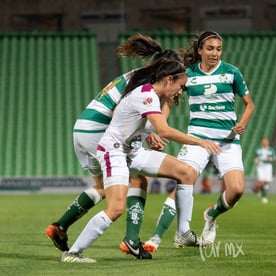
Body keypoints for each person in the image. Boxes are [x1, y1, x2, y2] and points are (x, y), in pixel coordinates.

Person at [61, 55, 221, 263]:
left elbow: (151, 125)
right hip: (114, 152)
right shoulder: (146, 95)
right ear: (169, 79)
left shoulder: (150, 95)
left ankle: (182, 232)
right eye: (180, 86)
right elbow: (163, 130)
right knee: (116, 208)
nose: (181, 91)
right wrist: (200, 142)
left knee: (186, 172)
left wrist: (151, 128)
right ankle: (73, 253)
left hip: (132, 152)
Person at [45, 33, 179, 252]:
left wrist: (146, 133)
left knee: (102, 187)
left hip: (82, 128)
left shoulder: (136, 75)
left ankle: (60, 225)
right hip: (100, 131)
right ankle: (132, 240)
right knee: (138, 179)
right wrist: (157, 122)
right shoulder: (146, 84)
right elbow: (122, 113)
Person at [144, 30, 255, 253]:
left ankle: (211, 215)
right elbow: (169, 98)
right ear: (200, 51)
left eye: (218, 49)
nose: (215, 53)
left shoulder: (232, 73)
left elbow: (249, 105)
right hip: (197, 139)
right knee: (183, 182)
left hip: (227, 141)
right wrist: (160, 126)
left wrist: (241, 123)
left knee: (237, 190)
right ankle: (155, 238)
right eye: (210, 48)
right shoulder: (188, 74)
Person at [254, 136, 276, 204]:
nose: (265, 142)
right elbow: (255, 157)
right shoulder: (258, 149)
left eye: (266, 140)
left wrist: (270, 159)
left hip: (268, 166)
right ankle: (264, 197)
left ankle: (260, 190)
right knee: (262, 181)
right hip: (260, 166)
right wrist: (256, 160)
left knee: (266, 182)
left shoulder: (271, 150)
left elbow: (275, 158)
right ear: (262, 142)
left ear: (268, 142)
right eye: (263, 140)